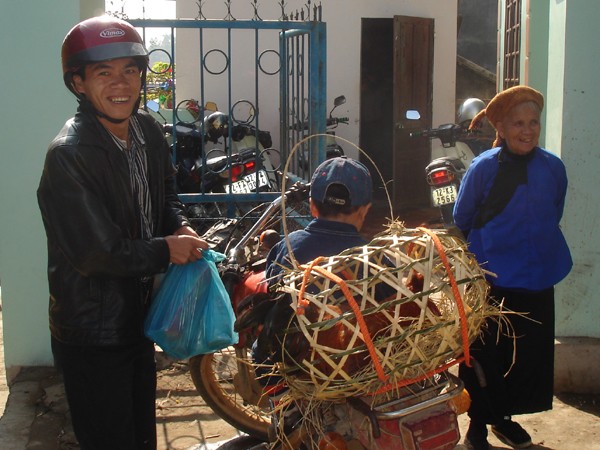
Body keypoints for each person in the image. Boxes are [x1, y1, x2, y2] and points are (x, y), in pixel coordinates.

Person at [37, 16, 208, 450]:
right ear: (77, 82)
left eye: (130, 70)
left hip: (139, 321)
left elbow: (166, 194)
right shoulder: (69, 156)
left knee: (140, 437)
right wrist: (168, 249)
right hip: (94, 333)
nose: (121, 84)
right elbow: (98, 255)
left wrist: (179, 225)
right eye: (104, 72)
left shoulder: (148, 130)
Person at [453, 85, 572, 450]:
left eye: (533, 122)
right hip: (492, 280)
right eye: (518, 123)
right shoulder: (484, 167)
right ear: (500, 128)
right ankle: (479, 424)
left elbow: (554, 211)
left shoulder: (552, 167)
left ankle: (503, 419)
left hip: (538, 277)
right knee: (486, 355)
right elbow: (463, 215)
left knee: (528, 358)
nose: (527, 130)